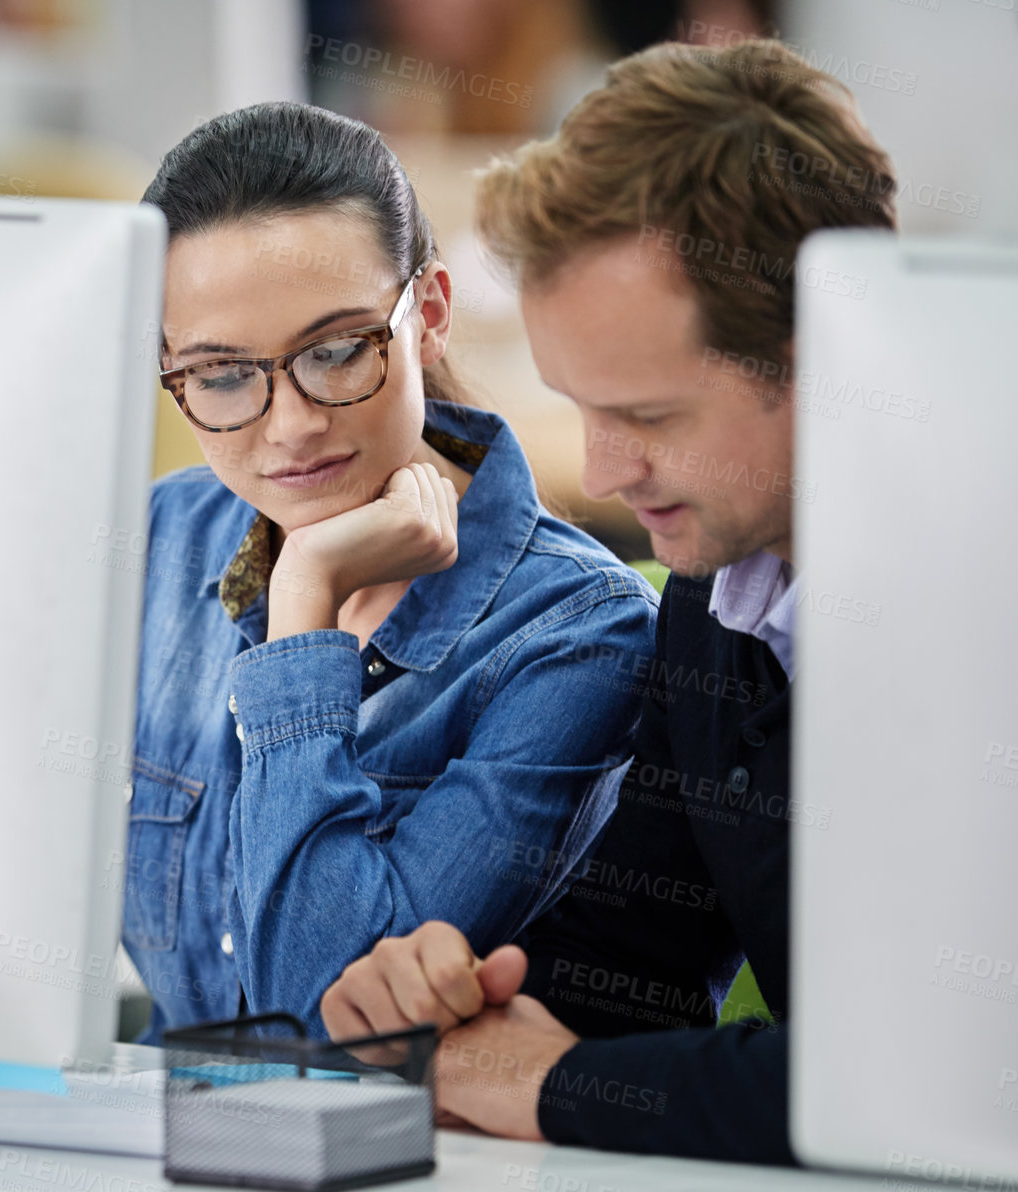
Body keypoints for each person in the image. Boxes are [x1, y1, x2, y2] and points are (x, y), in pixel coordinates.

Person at [318, 39, 897, 1162]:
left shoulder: (977, 619)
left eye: (647, 415)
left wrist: (552, 1080)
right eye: (580, 406)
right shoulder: (720, 595)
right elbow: (639, 953)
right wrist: (451, 1007)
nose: (602, 468)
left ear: (824, 355)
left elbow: (928, 1068)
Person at [123, 101, 658, 1040]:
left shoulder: (578, 635)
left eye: (336, 353)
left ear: (432, 315)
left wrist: (305, 607)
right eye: (219, 376)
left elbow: (323, 1013)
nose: (289, 426)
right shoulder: (163, 538)